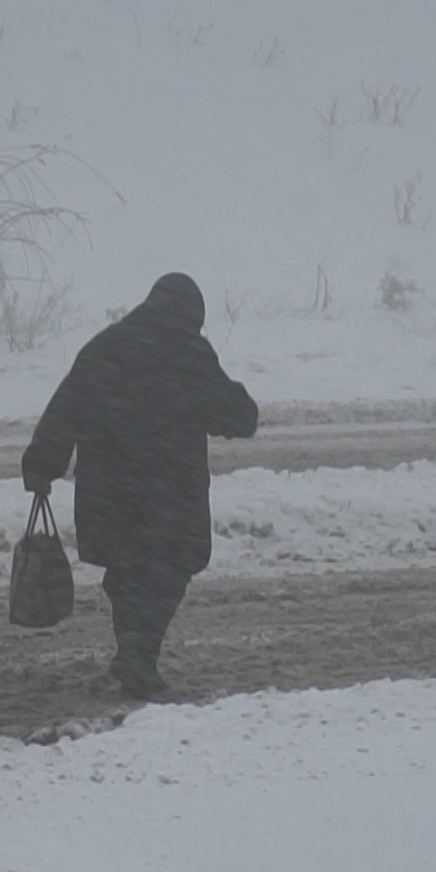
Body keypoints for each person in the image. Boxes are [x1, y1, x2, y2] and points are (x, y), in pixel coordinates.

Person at [21, 272, 259, 699]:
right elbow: (239, 416)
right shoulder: (189, 353)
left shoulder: (106, 347)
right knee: (168, 570)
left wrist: (42, 465)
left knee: (130, 570)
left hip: (109, 496)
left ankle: (134, 653)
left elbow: (66, 409)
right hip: (169, 495)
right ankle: (137, 657)